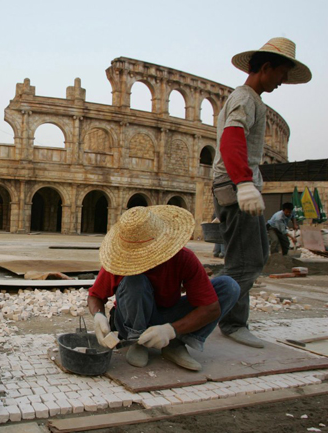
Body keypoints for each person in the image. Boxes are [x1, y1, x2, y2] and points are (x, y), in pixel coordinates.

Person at [211, 37, 311, 348]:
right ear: (265, 68)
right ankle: (218, 318)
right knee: (245, 261)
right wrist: (243, 183)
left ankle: (219, 313)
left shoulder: (249, 98)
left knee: (256, 256)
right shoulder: (246, 99)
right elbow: (231, 138)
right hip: (234, 185)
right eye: (281, 74)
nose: (282, 82)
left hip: (238, 184)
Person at [89, 206, 240, 371]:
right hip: (131, 319)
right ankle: (137, 341)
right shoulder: (120, 261)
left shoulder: (183, 258)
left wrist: (171, 330)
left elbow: (211, 308)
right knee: (134, 280)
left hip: (168, 315)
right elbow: (95, 296)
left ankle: (176, 343)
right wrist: (98, 315)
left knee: (228, 287)